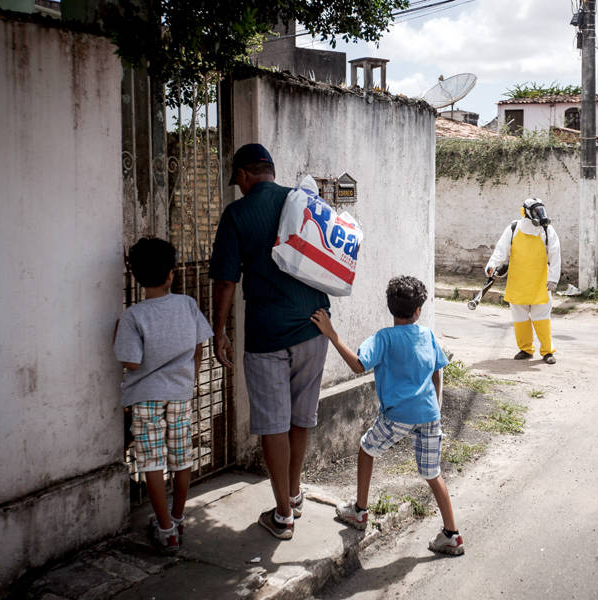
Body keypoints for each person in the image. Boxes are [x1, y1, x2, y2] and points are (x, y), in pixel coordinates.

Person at [209, 143, 331, 540]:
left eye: (238, 180)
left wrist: (219, 329)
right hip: (315, 327)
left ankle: (282, 515)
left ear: (244, 175)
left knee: (273, 425)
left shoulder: (238, 213)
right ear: (272, 171)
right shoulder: (302, 202)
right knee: (299, 419)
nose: (239, 186)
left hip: (267, 335)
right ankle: (293, 495)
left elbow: (226, 279)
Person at [310, 275, 464, 556]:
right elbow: (438, 370)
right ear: (418, 310)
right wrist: (437, 405)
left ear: (390, 308)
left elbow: (358, 365)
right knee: (433, 473)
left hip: (397, 416)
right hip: (430, 415)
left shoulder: (383, 338)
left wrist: (331, 334)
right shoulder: (428, 335)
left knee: (367, 448)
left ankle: (359, 510)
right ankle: (452, 534)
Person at [114, 237, 213, 553]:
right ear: (172, 273)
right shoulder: (187, 304)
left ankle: (165, 528)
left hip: (145, 397)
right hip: (180, 394)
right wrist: (190, 378)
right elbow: (199, 346)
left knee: (151, 459)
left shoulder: (133, 316)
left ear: (136, 276)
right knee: (182, 455)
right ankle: (179, 517)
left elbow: (131, 361)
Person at [485, 198, 561, 364]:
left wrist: (553, 278)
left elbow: (555, 255)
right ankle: (525, 350)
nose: (539, 214)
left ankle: (547, 351)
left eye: (540, 210)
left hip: (540, 282)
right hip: (517, 282)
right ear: (525, 212)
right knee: (520, 318)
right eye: (535, 211)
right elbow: (500, 250)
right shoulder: (513, 228)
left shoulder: (547, 231)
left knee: (541, 317)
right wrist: (491, 266)